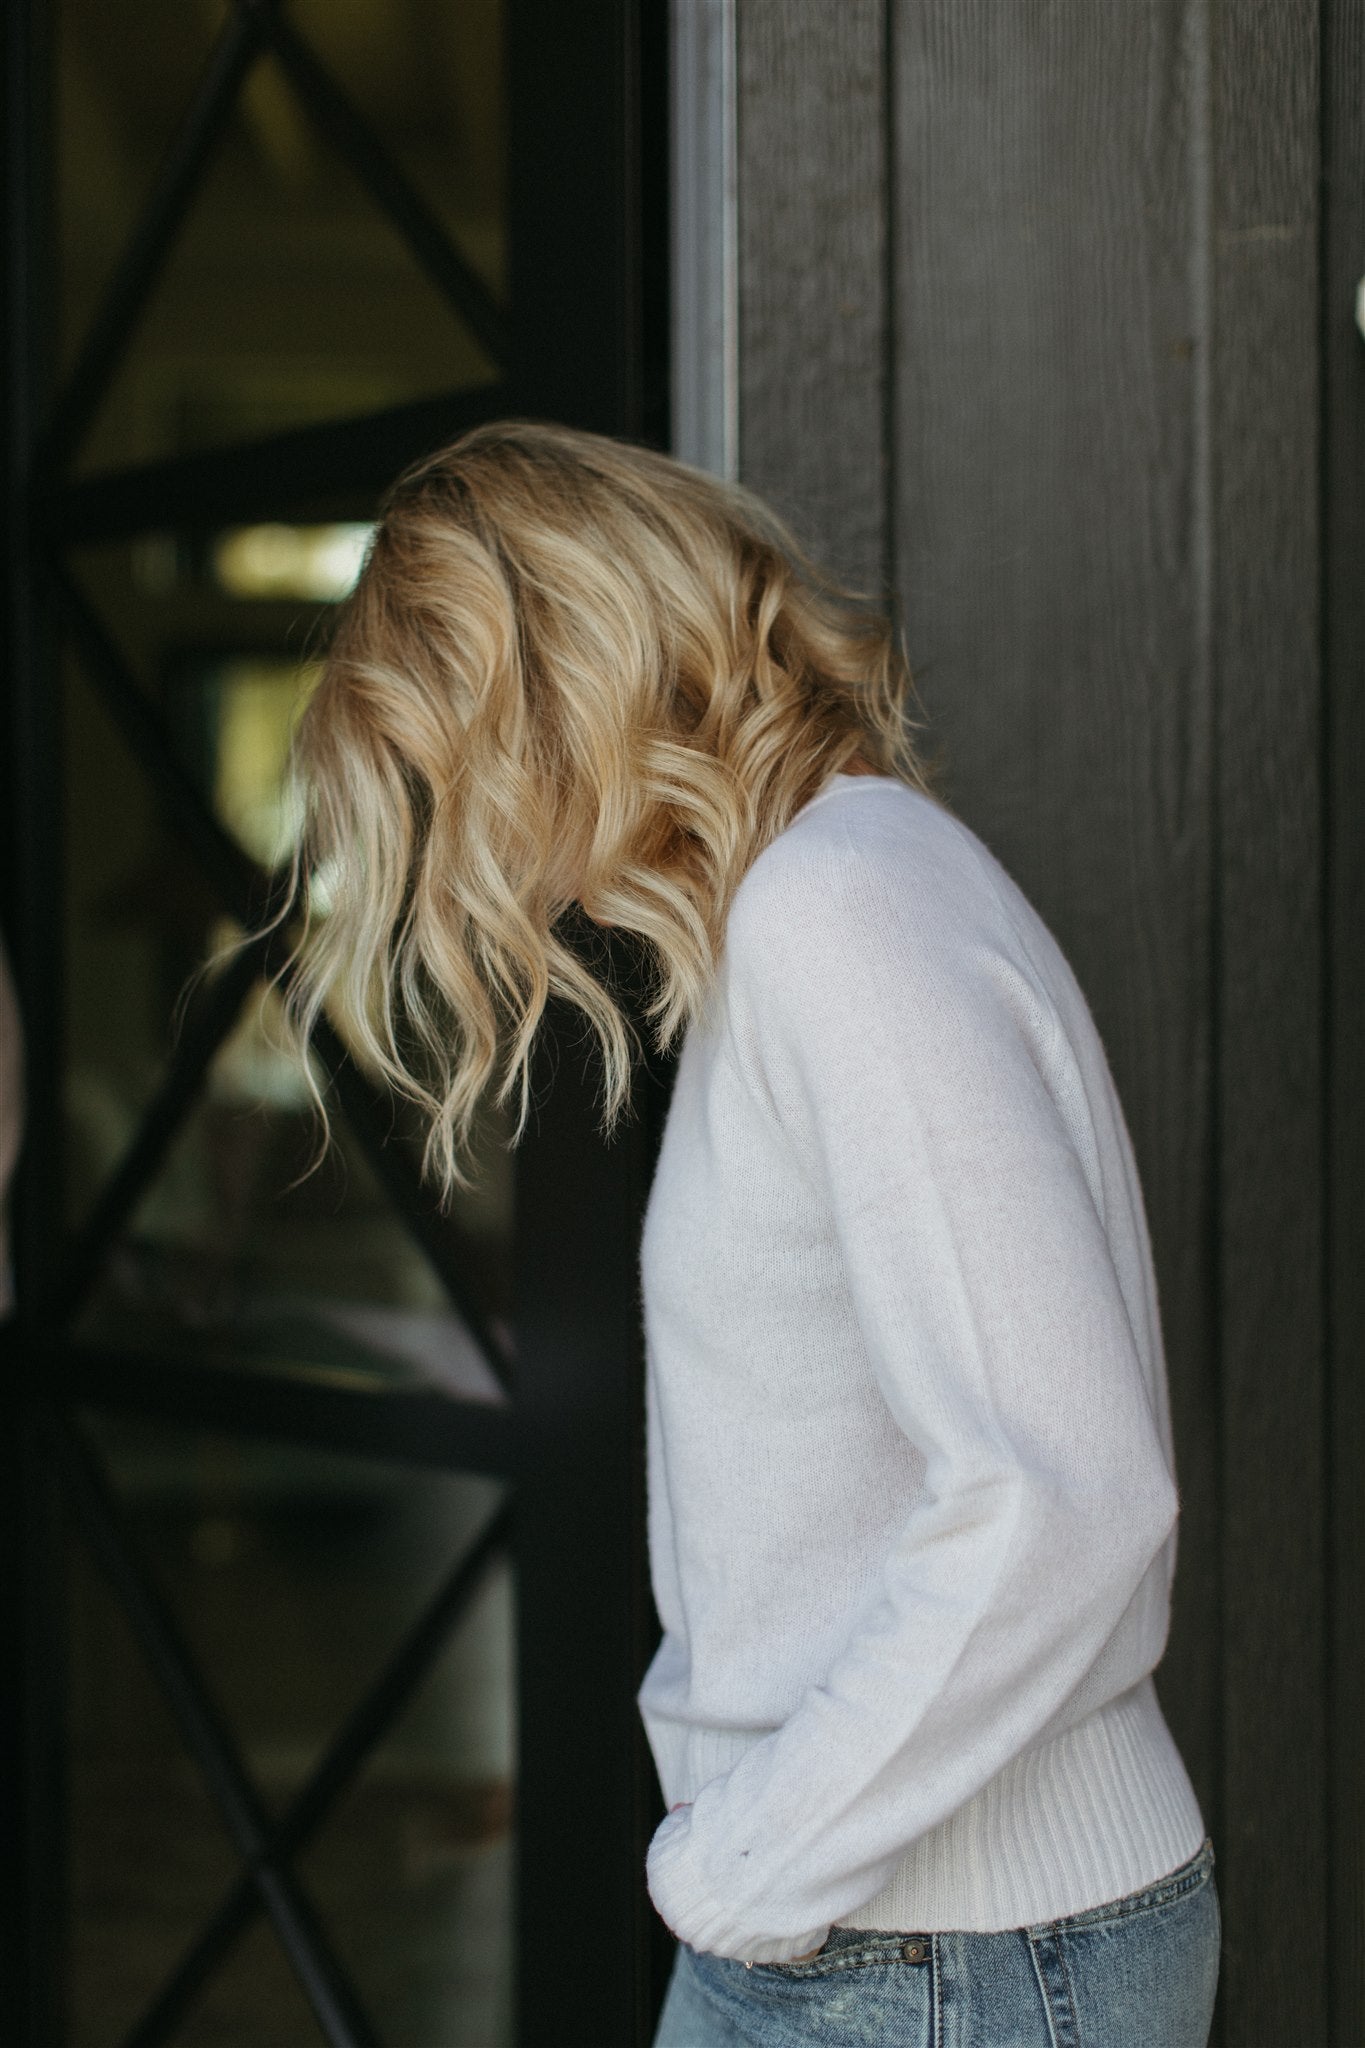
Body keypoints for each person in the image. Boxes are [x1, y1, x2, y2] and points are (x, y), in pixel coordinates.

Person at [276, 420, 1220, 2047]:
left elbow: (1064, 1492)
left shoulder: (836, 912)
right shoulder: (825, 901)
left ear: (560, 689)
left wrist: (745, 1871)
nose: (473, 849)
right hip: (910, 1936)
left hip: (933, 1952)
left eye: (455, 774)